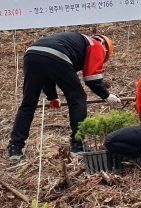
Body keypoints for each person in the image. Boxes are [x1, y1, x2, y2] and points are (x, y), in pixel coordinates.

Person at [7, 32, 120, 161]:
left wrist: (52, 97)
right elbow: (91, 78)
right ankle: (77, 145)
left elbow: (46, 69)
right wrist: (107, 95)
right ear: (105, 47)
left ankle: (15, 146)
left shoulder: (74, 42)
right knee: (78, 98)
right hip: (56, 55)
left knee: (28, 103)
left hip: (32, 54)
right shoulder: (97, 46)